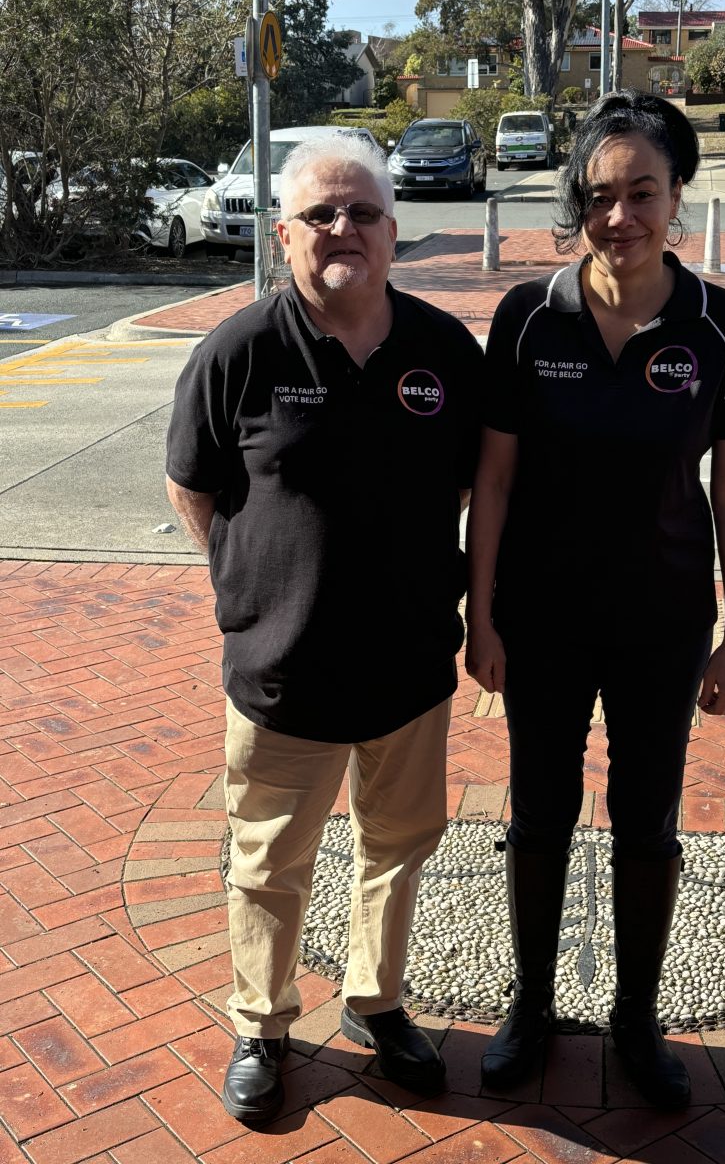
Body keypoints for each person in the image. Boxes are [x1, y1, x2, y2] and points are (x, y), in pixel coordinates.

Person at [465, 90, 725, 1110]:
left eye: (643, 192)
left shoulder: (721, 325)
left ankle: (637, 1017)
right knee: (540, 814)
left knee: (646, 818)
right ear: (579, 205)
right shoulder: (527, 316)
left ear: (677, 195)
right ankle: (532, 1005)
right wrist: (483, 612)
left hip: (663, 621)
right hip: (544, 621)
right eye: (600, 196)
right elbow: (495, 481)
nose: (620, 217)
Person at [165, 134, 481, 1124]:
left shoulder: (441, 350)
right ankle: (262, 1024)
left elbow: (476, 481)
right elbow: (192, 487)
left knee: (400, 841)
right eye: (321, 215)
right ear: (283, 233)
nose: (345, 230)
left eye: (365, 213)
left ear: (394, 231)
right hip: (283, 667)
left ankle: (376, 1002)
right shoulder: (240, 350)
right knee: (267, 858)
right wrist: (250, 584)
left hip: (411, 664)